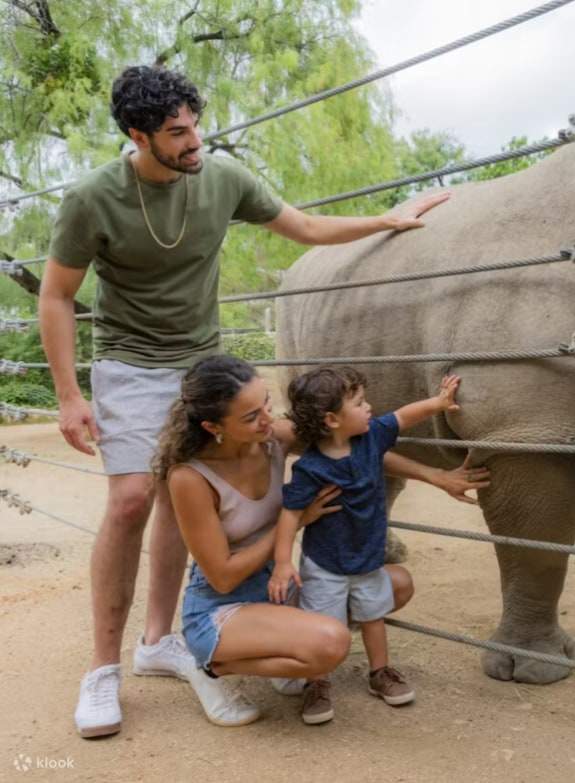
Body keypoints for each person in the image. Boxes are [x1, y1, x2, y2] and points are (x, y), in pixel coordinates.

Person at [39, 65, 460, 738]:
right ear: (137, 135)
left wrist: (389, 218)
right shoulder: (94, 198)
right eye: (177, 132)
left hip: (204, 363)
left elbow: (306, 227)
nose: (194, 140)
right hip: (130, 361)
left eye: (194, 123)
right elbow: (57, 295)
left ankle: (159, 642)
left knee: (189, 496)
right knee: (128, 501)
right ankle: (102, 669)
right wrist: (67, 394)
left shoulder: (222, 177)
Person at [157, 355, 485, 729]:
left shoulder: (271, 437)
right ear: (213, 426)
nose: (268, 419)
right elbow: (223, 577)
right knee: (331, 645)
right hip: (223, 607)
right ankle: (208, 667)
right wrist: (295, 523)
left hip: (276, 591)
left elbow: (357, 448)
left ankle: (286, 646)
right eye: (250, 416)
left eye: (265, 403)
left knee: (395, 584)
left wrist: (435, 475)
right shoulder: (189, 478)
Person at [267, 365, 458, 724]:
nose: (369, 407)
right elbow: (290, 515)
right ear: (332, 419)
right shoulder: (310, 469)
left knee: (373, 617)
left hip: (368, 559)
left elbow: (403, 416)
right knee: (322, 625)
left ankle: (380, 672)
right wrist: (282, 562)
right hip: (325, 565)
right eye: (359, 402)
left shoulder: (372, 438)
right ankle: (317, 682)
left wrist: (439, 402)